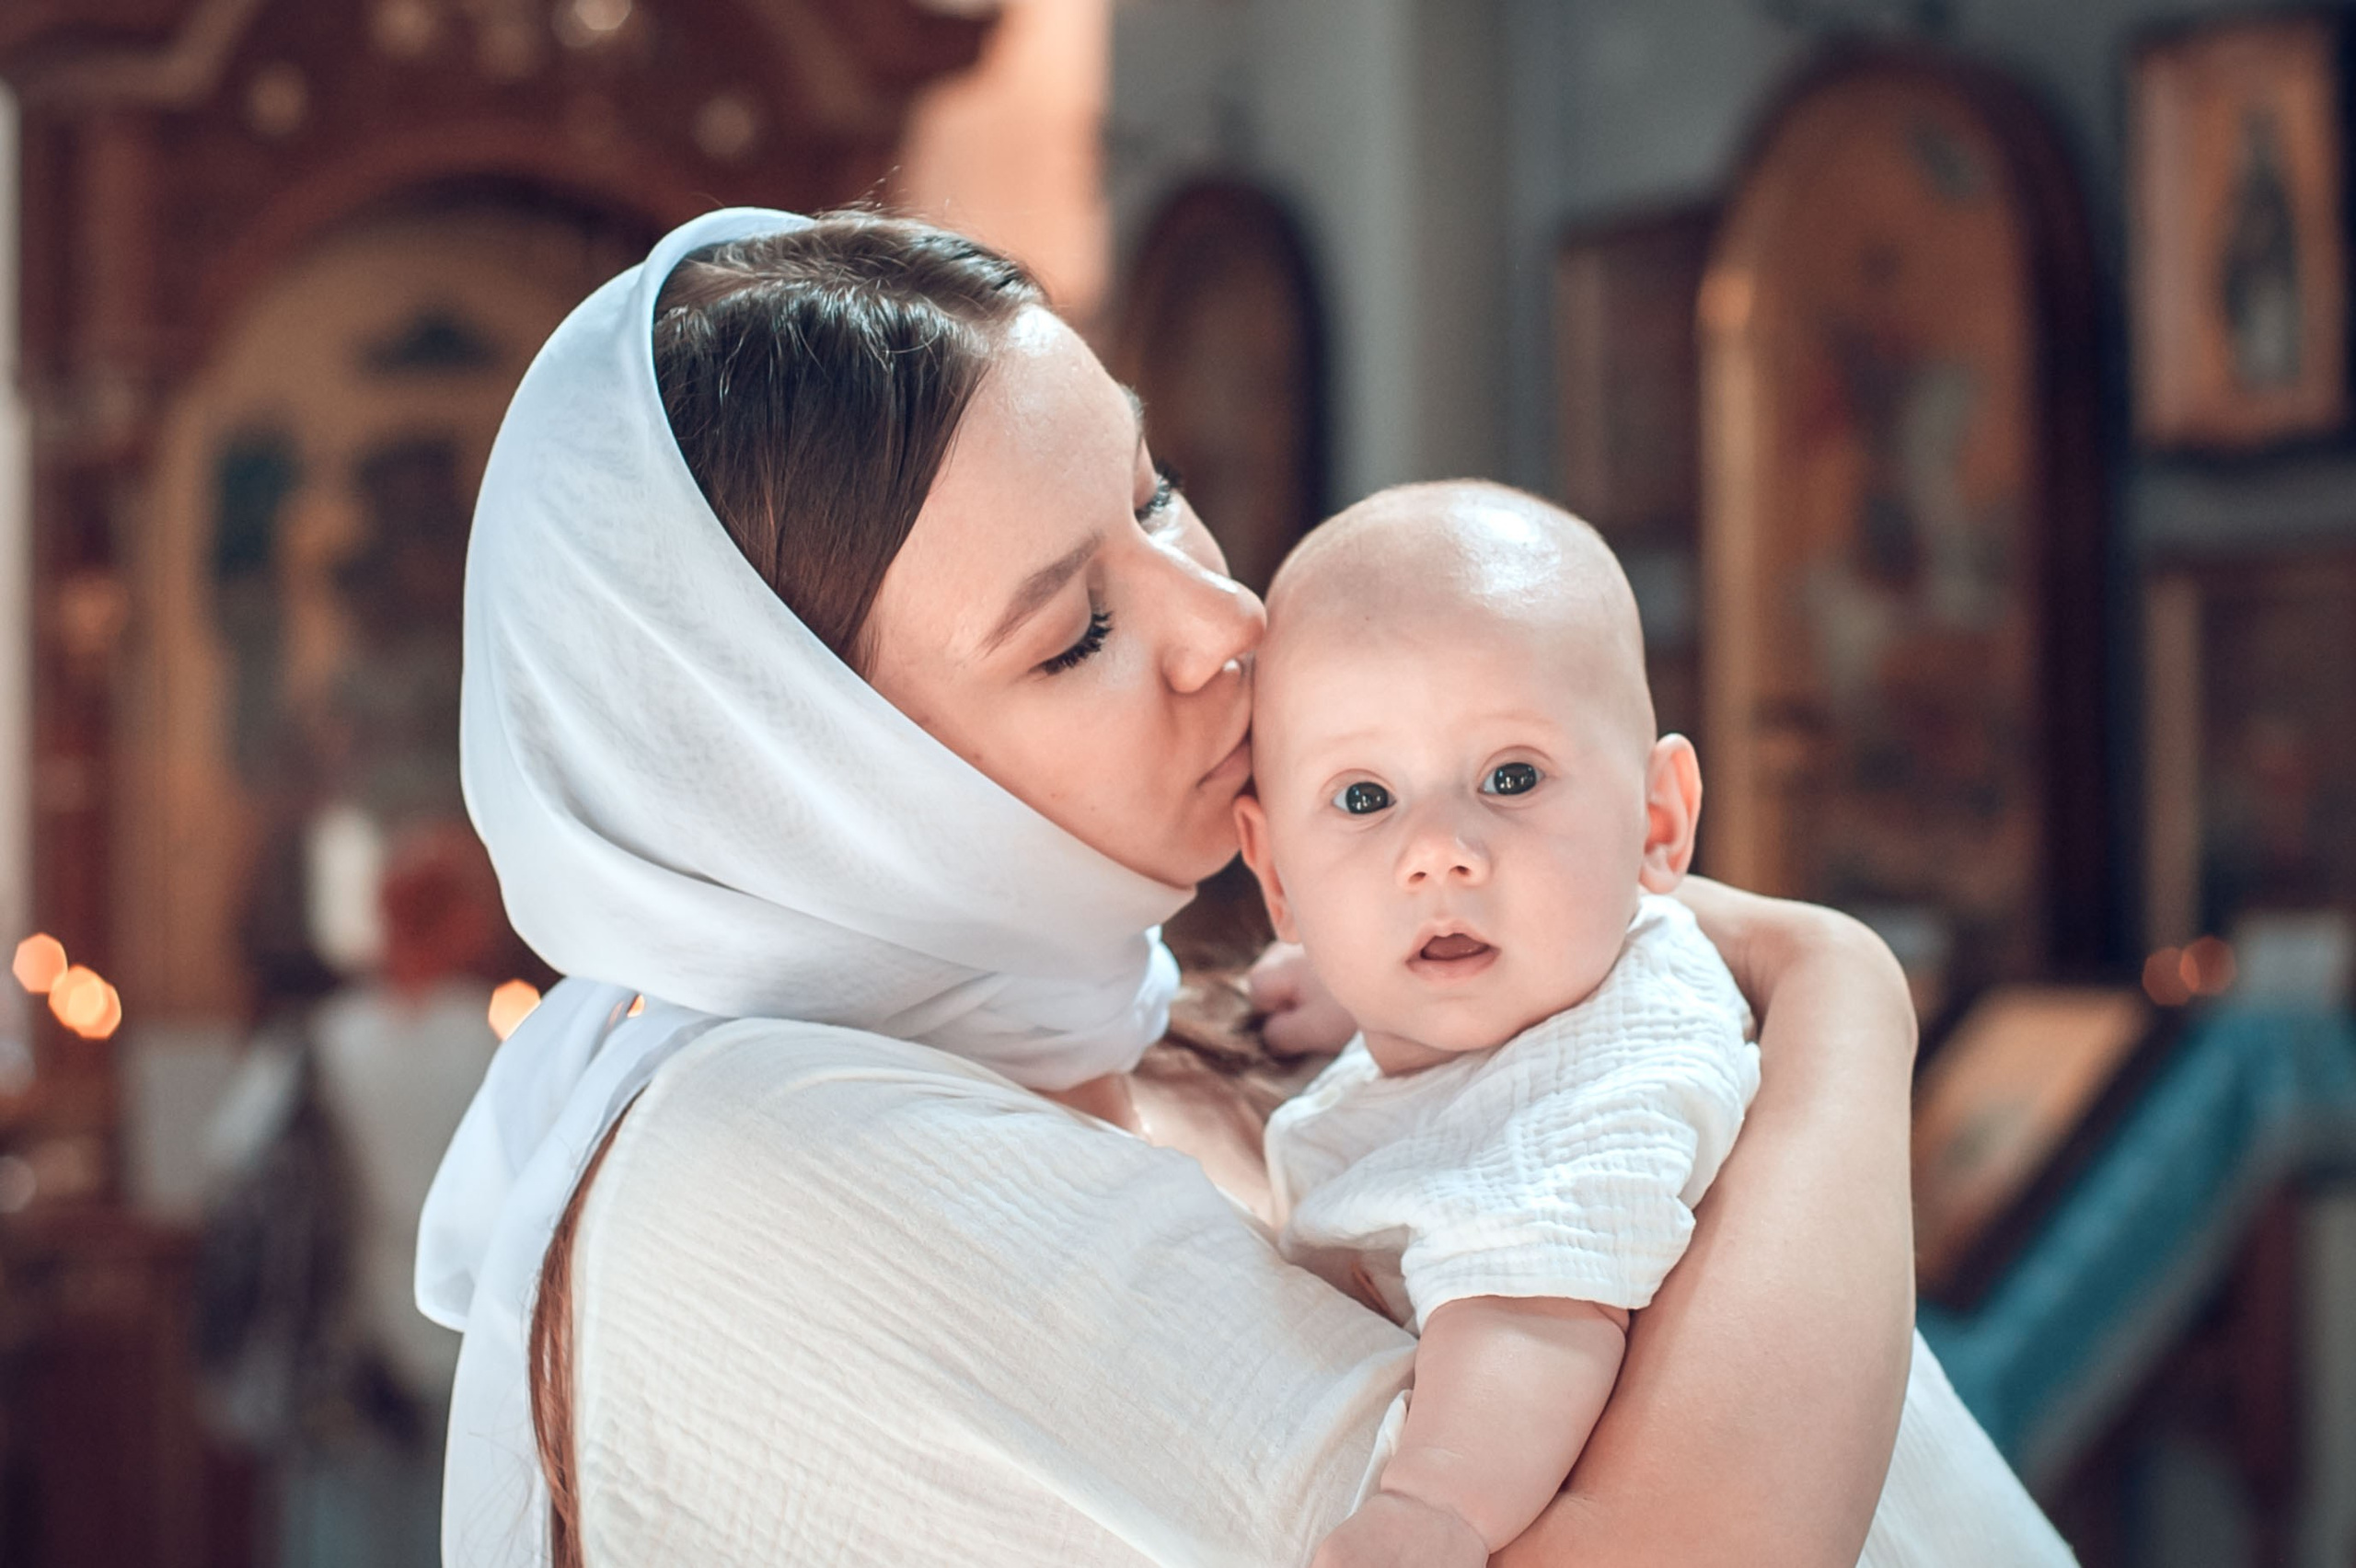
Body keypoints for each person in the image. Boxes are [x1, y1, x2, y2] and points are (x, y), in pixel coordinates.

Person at [417, 207, 1926, 1567]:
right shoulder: (754, 1166)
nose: (1230, 618)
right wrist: (1839, 993)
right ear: (822, 789)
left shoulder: (1211, 1026)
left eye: (1156, 498)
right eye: (1076, 633)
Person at [1234, 481, 2074, 1567]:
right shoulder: (1465, 1017)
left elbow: (1535, 1316)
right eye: (1362, 799)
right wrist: (1349, 983)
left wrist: (1431, 1509)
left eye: (1511, 777)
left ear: (1659, 820)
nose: (1437, 851)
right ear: (1279, 879)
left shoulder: (1616, 1056)